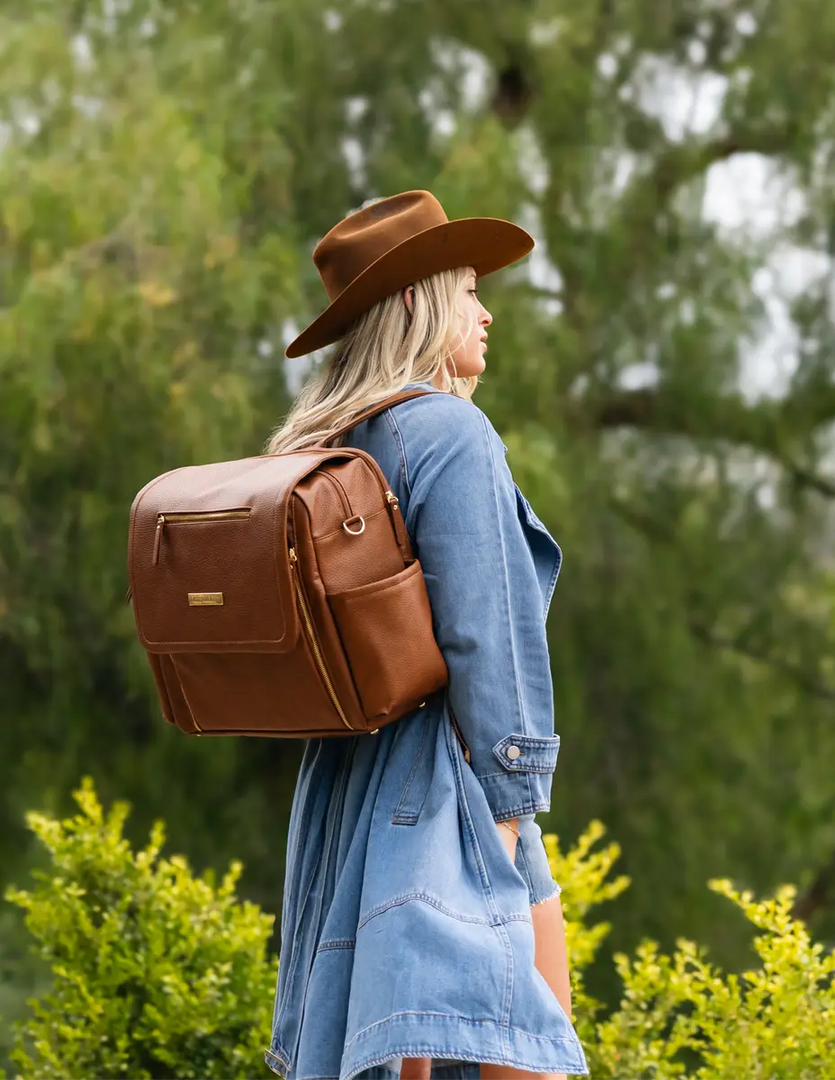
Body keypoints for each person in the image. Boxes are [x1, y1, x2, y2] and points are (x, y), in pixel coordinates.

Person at [262, 191, 587, 1080]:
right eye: (470, 288)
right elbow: (493, 643)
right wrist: (510, 830)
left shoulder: (324, 446)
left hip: (342, 800)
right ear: (416, 301)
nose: (486, 311)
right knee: (523, 1058)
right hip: (450, 800)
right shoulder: (450, 435)